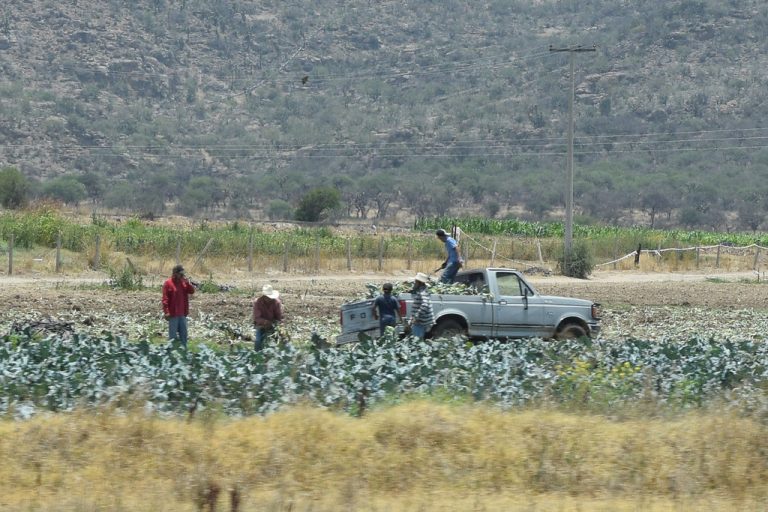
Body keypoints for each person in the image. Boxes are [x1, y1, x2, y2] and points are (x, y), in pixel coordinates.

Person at [162, 264, 196, 348]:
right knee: (172, 337)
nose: (182, 276)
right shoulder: (168, 283)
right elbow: (165, 299)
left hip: (182, 314)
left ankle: (183, 354)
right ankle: (171, 354)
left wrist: (187, 283)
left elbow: (192, 291)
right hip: (173, 315)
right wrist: (166, 312)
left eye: (182, 274)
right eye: (180, 274)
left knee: (183, 336)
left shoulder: (184, 283)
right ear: (175, 273)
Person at [253, 283, 284, 351]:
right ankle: (257, 355)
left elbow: (279, 317)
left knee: (279, 341)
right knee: (258, 341)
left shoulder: (276, 302)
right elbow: (257, 317)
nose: (269, 299)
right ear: (264, 296)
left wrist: (279, 325)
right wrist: (265, 322)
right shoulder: (258, 302)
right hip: (261, 325)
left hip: (273, 324)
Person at [408, 272, 434, 340]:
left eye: (415, 282)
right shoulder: (422, 290)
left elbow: (425, 305)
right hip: (421, 322)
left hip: (420, 323)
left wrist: (415, 317)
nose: (414, 283)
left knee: (416, 342)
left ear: (419, 283)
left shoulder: (422, 292)